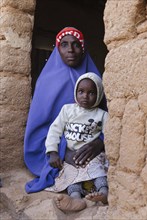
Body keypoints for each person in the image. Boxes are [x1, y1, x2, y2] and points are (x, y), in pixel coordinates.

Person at [24, 27, 107, 193]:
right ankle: (76, 193)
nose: (70, 50)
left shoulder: (93, 81)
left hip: (89, 145)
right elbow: (40, 129)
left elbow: (106, 120)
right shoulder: (46, 81)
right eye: (64, 45)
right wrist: (62, 150)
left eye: (76, 45)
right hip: (57, 147)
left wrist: (99, 143)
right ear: (57, 48)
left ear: (83, 49)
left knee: (100, 169)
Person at [45, 72, 109, 211]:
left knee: (98, 171)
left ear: (98, 95)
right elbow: (54, 130)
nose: (85, 96)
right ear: (75, 92)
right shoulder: (67, 110)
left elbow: (108, 134)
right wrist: (53, 152)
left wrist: (100, 145)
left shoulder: (102, 115)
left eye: (91, 93)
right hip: (72, 156)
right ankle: (75, 199)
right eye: (81, 91)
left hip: (93, 156)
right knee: (70, 176)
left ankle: (104, 193)